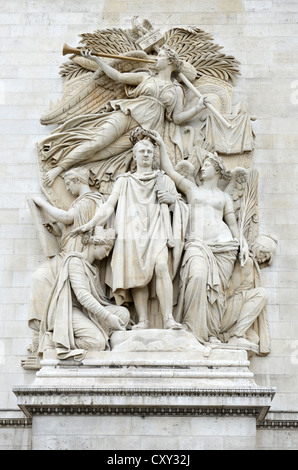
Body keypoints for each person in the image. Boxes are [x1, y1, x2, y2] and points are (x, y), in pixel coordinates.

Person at [39, 45, 208, 186]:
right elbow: (118, 76)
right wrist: (97, 60)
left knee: (106, 153)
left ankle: (72, 167)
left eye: (161, 56)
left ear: (170, 62)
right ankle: (58, 169)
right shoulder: (145, 77)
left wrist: (198, 108)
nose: (156, 59)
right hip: (127, 114)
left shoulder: (177, 90)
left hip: (143, 131)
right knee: (97, 141)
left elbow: (177, 118)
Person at [71, 134, 189, 330]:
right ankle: (143, 319)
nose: (145, 154)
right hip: (132, 231)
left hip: (157, 228)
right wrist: (90, 224)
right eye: (141, 151)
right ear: (134, 156)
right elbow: (109, 206)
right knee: (137, 274)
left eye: (149, 152)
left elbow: (181, 205)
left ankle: (168, 318)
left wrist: (170, 200)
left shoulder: (164, 179)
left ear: (154, 156)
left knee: (161, 267)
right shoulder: (124, 181)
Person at [151, 130, 249, 344]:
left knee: (216, 294)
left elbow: (232, 224)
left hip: (224, 247)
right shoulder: (192, 189)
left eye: (206, 165)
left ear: (216, 170)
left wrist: (242, 242)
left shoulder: (224, 197)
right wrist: (160, 145)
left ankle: (211, 333)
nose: (201, 168)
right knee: (196, 277)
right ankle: (192, 331)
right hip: (197, 244)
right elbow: (169, 171)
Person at [27, 168, 105, 349]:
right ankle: (47, 330)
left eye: (68, 183)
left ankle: (48, 334)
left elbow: (69, 218)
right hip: (69, 251)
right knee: (42, 279)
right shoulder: (82, 201)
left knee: (41, 277)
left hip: (73, 255)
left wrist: (43, 204)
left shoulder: (88, 200)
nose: (67, 188)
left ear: (78, 180)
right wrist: (56, 231)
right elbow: (72, 226)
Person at [39, 227, 129, 360]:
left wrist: (110, 314)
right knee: (97, 342)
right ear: (95, 244)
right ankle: (55, 340)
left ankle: (98, 333)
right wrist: (108, 317)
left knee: (123, 314)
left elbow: (98, 299)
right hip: (69, 312)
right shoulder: (75, 262)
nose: (107, 254)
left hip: (86, 312)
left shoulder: (93, 268)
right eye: (107, 249)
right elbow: (83, 296)